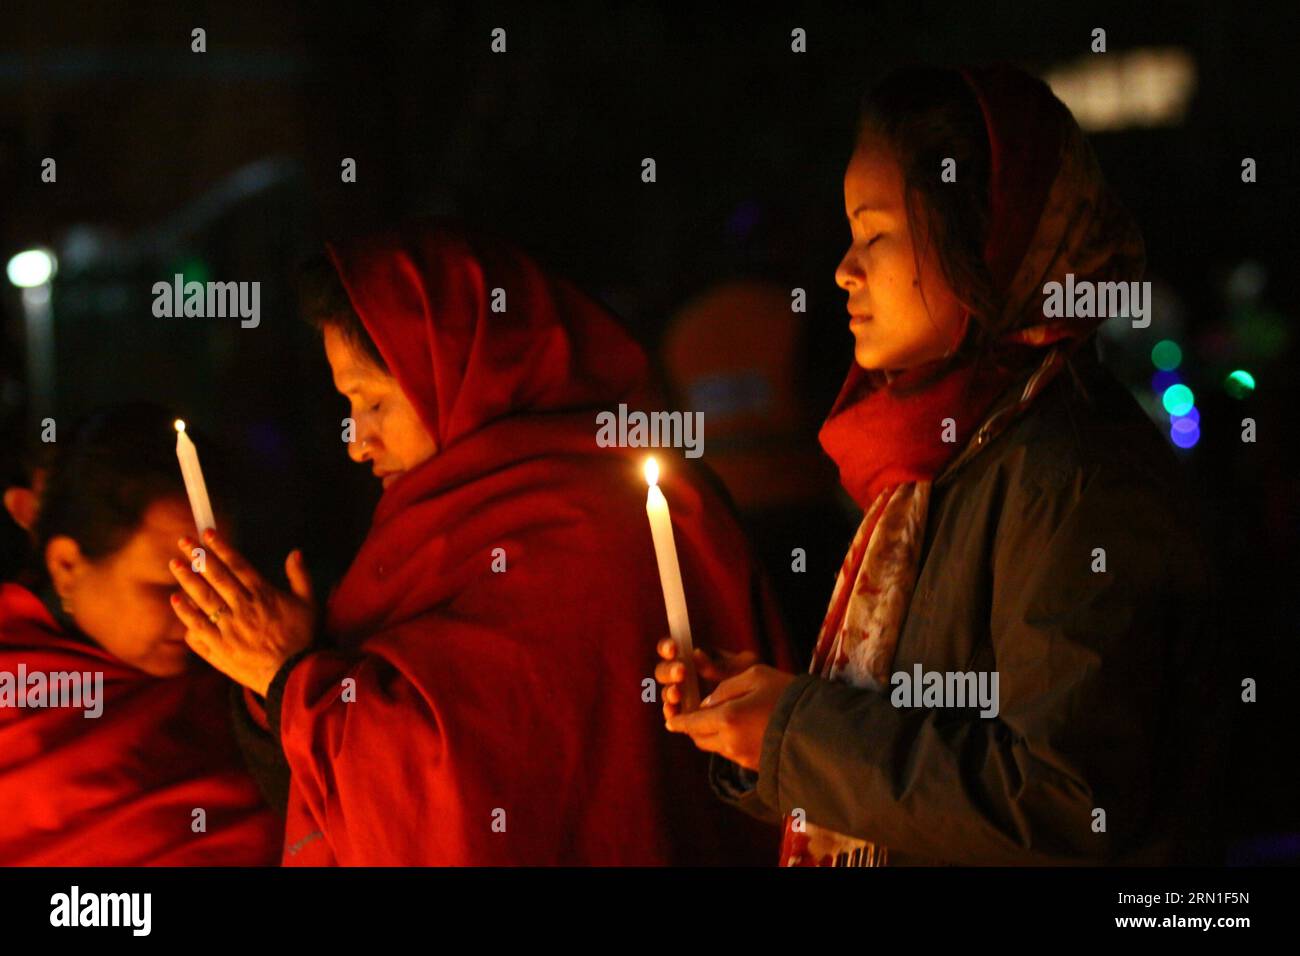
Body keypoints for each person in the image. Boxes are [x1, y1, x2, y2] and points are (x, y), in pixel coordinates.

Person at [659, 64, 1227, 865]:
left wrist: (796, 730)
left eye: (876, 234)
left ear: (983, 238)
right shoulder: (948, 457)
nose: (843, 271)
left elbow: (1062, 804)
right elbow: (928, 741)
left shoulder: (1072, 477)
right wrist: (764, 720)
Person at [167, 220, 794, 865]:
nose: (355, 442)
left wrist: (289, 676)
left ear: (458, 371)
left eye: (372, 402)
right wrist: (289, 673)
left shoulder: (598, 527)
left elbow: (459, 797)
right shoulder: (436, 526)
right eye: (346, 406)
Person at [0, 403, 281, 865]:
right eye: (168, 586)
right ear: (67, 567)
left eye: (216, 585)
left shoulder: (239, 687)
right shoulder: (18, 696)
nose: (203, 613)